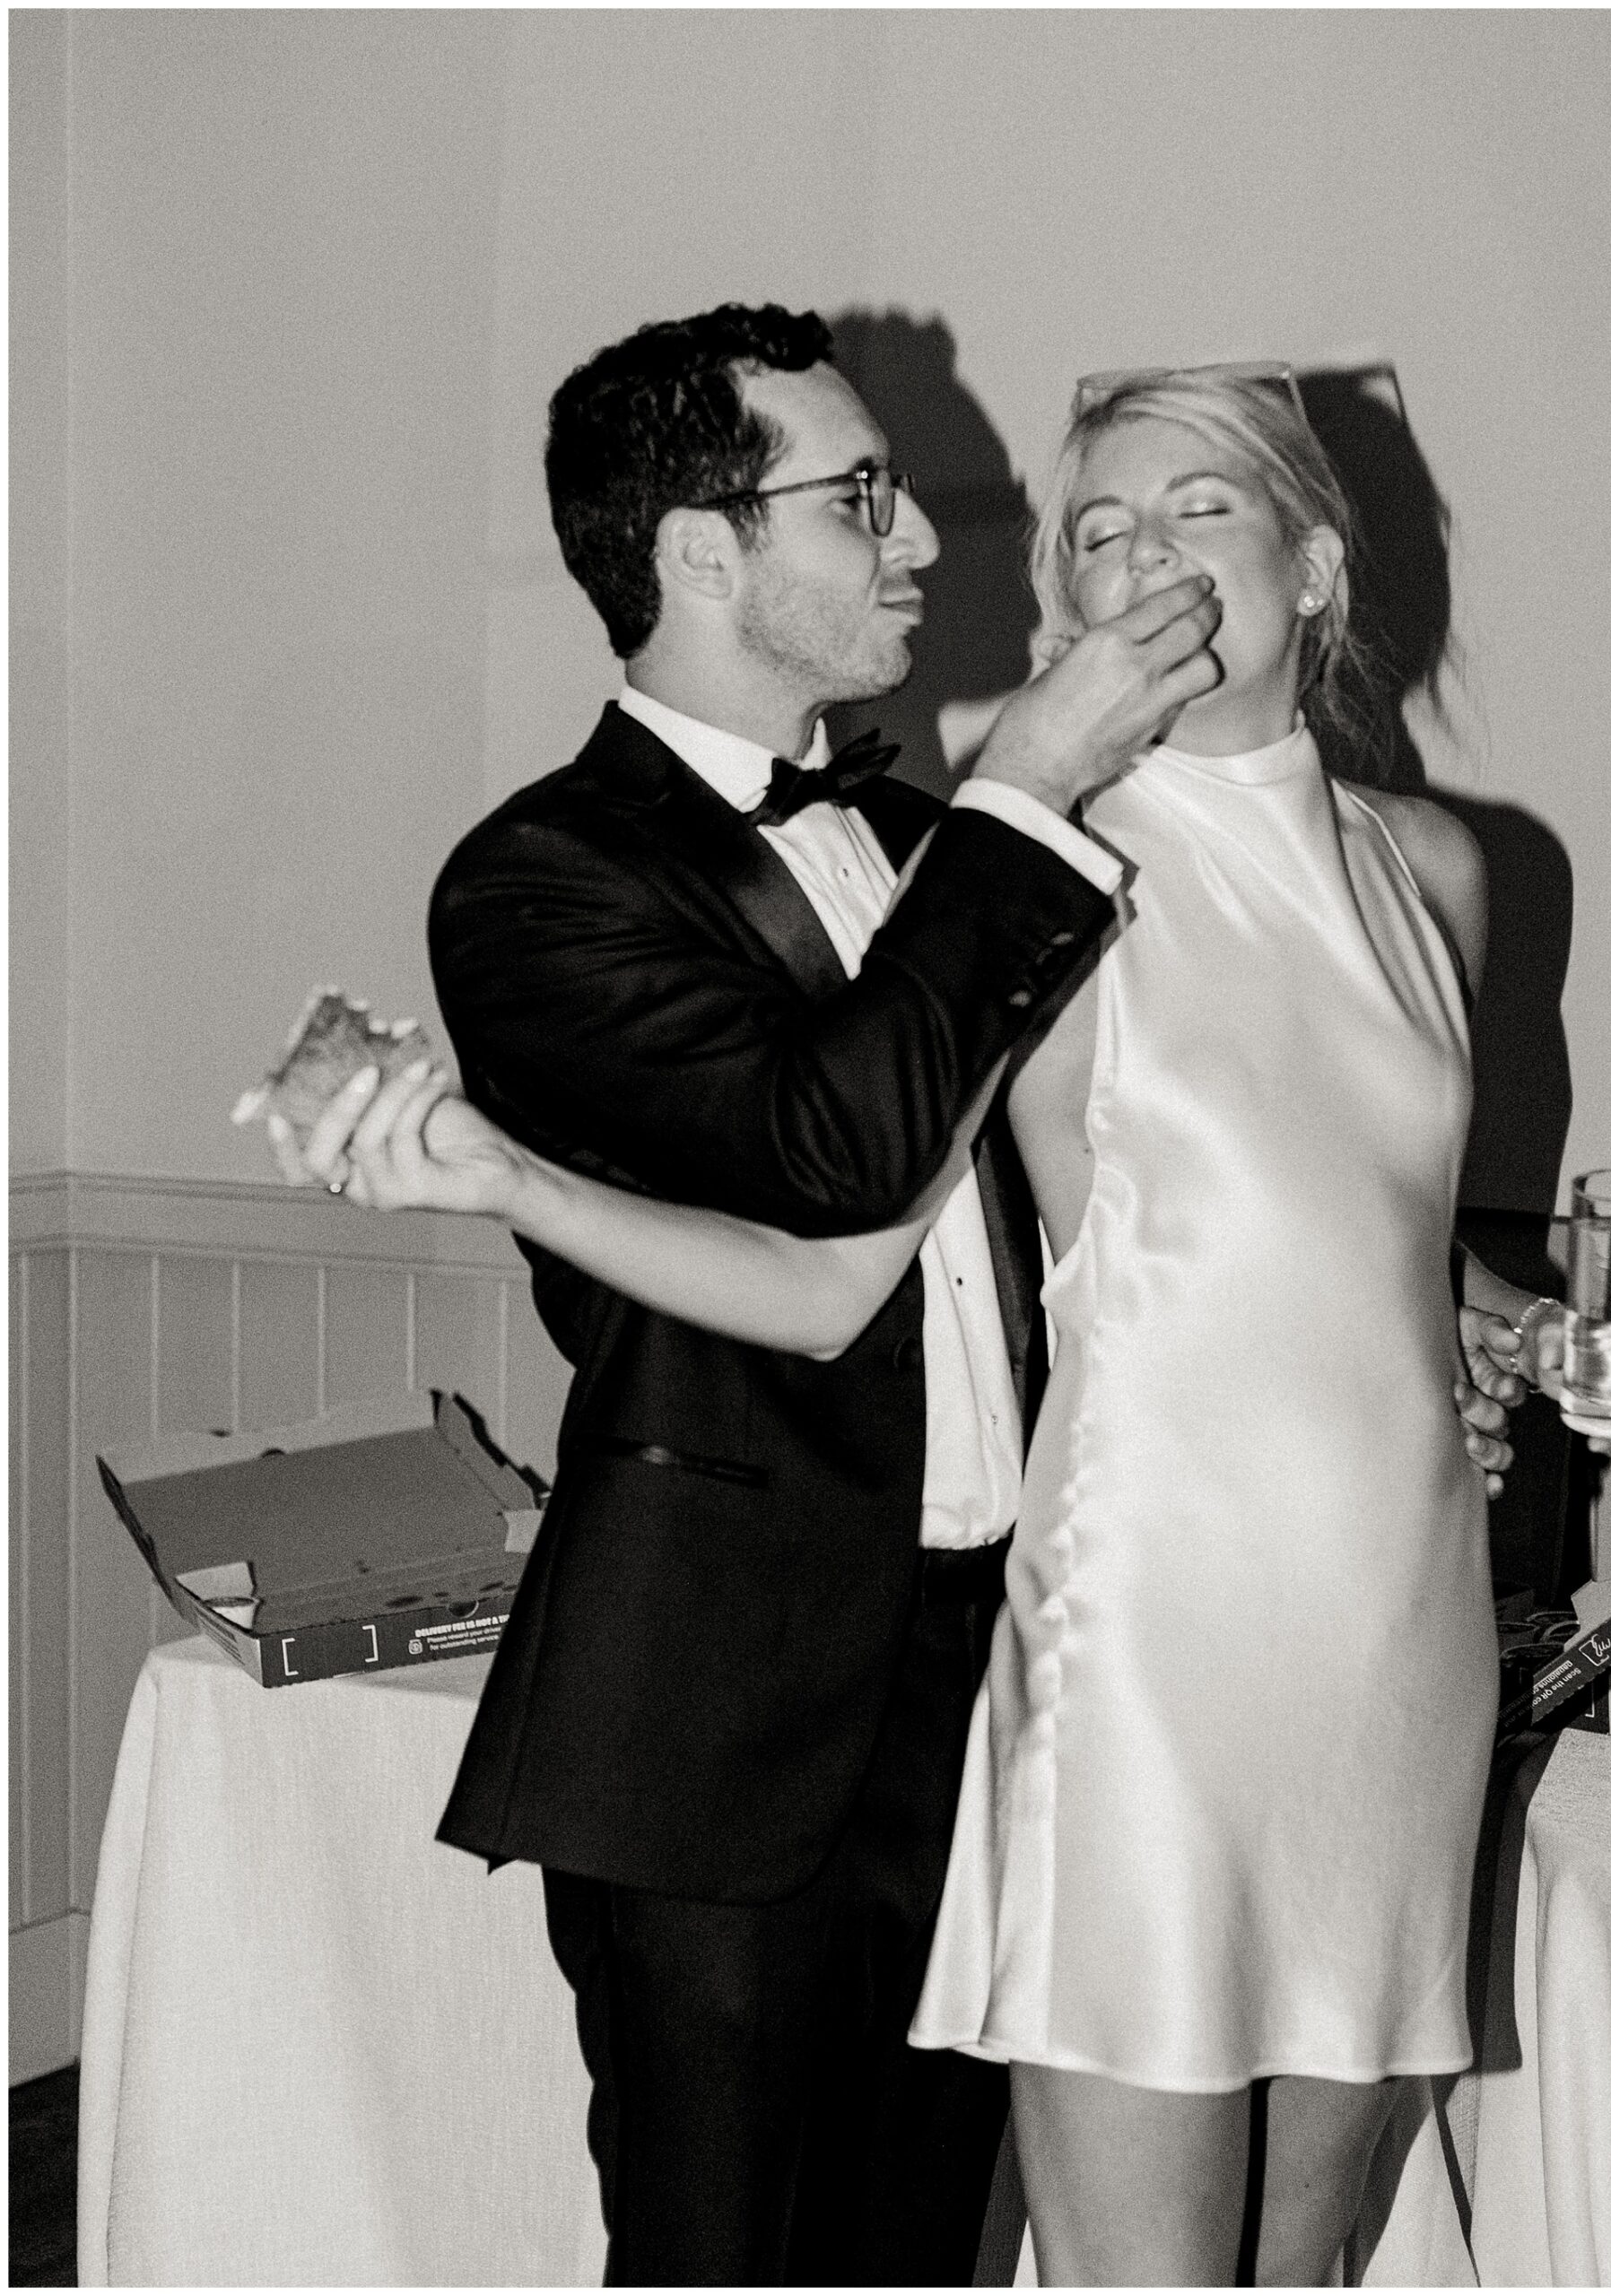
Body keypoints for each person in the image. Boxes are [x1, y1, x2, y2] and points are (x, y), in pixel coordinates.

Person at [271, 354, 1611, 2283]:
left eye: (1195, 507)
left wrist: (1515, 1331)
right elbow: (831, 1219)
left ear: (1317, 560)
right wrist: (494, 1171)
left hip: (1389, 1627)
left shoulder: (1440, 867)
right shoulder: (1004, 879)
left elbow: (1362, 1219)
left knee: (1293, 2240)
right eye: (1096, 525)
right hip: (1137, 1625)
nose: (1131, 553)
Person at [313, 300, 1241, 2290]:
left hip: (995, 1683)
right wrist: (1032, 787)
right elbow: (831, 1159)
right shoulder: (541, 880)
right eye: (862, 499)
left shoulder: (924, 839)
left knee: (919, 2249)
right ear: (705, 554)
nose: (917, 544)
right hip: (722, 1711)